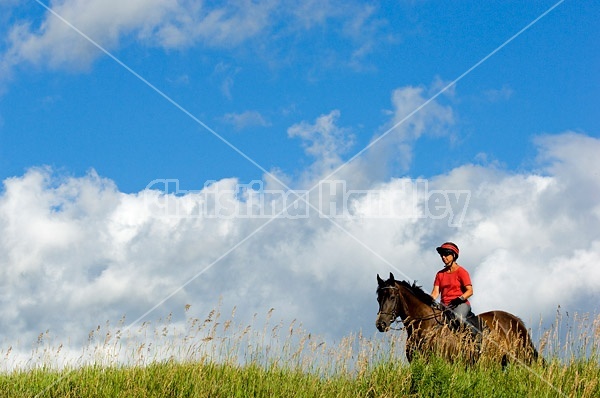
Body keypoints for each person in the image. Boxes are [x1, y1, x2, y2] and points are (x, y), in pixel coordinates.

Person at [430, 242, 475, 327]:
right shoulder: (440, 274)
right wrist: (428, 301)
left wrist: (459, 299)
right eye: (442, 255)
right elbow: (435, 293)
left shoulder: (462, 272)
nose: (443, 257)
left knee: (457, 319)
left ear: (454, 255)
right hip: (444, 306)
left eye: (446, 254)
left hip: (460, 304)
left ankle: (469, 338)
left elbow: (470, 291)